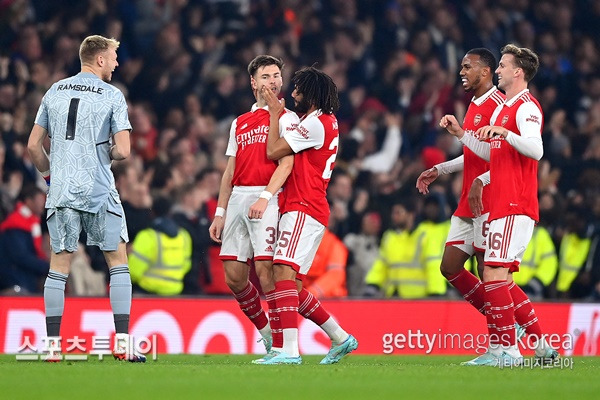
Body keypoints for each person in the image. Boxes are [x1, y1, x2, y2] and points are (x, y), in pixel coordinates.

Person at [27, 35, 145, 362]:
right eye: (114, 57)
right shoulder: (112, 96)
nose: (118, 63)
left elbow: (33, 146)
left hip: (61, 189)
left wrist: (52, 177)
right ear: (101, 60)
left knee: (59, 267)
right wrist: (102, 153)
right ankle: (122, 344)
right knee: (117, 262)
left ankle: (52, 346)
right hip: (99, 189)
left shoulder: (54, 91)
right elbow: (123, 149)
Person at [440, 44, 558, 366]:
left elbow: (536, 149)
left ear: (517, 72)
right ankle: (526, 346)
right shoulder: (505, 107)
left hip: (513, 201)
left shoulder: (525, 107)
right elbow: (493, 154)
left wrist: (505, 133)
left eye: (504, 66)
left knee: (493, 272)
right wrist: (462, 135)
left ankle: (506, 349)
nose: (499, 71)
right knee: (497, 275)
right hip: (503, 202)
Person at [257, 66, 358, 365]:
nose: (293, 93)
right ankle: (340, 337)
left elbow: (274, 151)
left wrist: (276, 114)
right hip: (307, 206)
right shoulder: (321, 121)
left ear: (311, 94)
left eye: (298, 89)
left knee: (282, 272)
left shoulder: (316, 124)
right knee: (294, 287)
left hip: (303, 205)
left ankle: (288, 351)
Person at [208, 55, 298, 352]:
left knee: (265, 271)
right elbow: (230, 171)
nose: (272, 81)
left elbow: (286, 164)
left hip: (267, 196)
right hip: (238, 199)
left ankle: (283, 346)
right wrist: (220, 211)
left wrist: (265, 197)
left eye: (276, 76)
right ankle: (268, 331)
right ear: (253, 82)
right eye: (266, 77)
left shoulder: (287, 118)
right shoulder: (240, 122)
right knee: (234, 277)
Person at [129, 196, 192, 295]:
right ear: (170, 212)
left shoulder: (147, 236)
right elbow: (186, 266)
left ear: (152, 212)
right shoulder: (184, 236)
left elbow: (133, 271)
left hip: (147, 293)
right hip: (174, 293)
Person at [0, 184, 48, 293]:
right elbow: (20, 256)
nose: (43, 204)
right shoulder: (16, 224)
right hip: (16, 284)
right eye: (40, 200)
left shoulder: (33, 224)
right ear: (29, 201)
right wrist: (46, 267)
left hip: (28, 282)